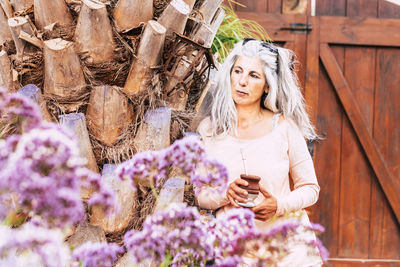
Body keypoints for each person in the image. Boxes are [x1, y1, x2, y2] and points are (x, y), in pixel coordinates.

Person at [195, 38, 322, 266]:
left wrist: (279, 205)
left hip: (288, 252)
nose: (242, 81)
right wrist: (226, 194)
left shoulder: (284, 127)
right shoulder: (209, 130)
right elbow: (200, 195)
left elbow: (311, 188)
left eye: (254, 75)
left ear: (267, 85)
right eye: (238, 71)